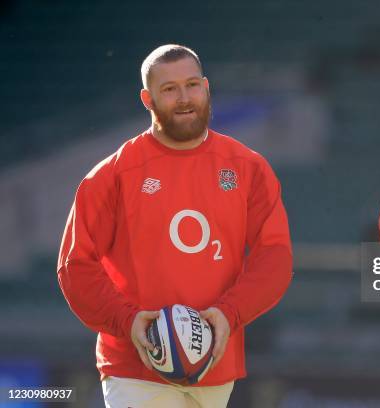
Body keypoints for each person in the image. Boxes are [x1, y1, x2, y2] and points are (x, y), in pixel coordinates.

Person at [57, 44, 293, 408]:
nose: (185, 98)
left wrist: (229, 314)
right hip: (134, 369)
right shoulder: (113, 175)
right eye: (169, 89)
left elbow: (275, 257)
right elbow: (75, 265)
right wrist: (127, 320)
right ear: (147, 98)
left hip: (215, 365)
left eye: (192, 85)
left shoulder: (248, 168)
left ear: (207, 87)